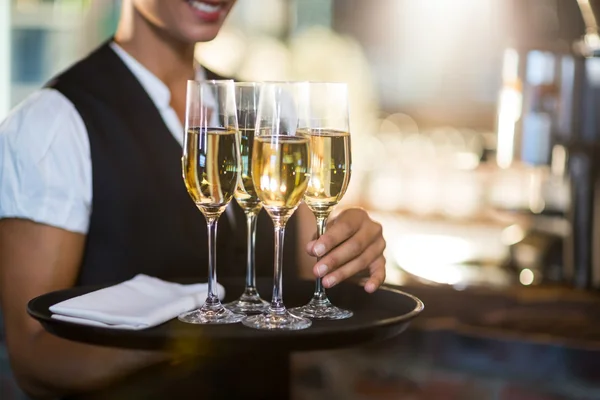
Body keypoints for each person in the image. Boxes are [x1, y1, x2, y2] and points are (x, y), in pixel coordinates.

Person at [0, 0, 387, 398]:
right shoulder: (52, 123)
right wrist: (188, 340)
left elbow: (309, 278)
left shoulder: (265, 112)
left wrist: (349, 253)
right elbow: (34, 359)